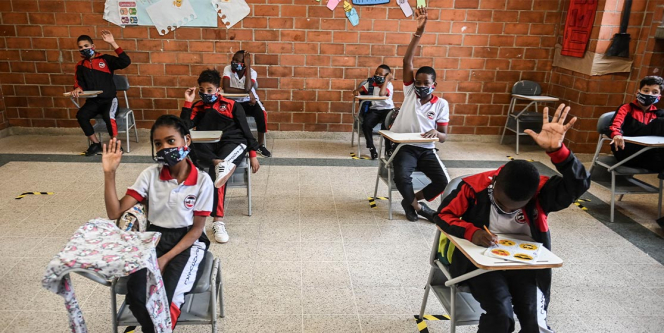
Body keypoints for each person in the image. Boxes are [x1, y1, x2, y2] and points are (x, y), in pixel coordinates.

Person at [435, 104, 591, 333]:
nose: (507, 211)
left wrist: (558, 152)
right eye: (501, 204)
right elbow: (443, 216)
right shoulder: (475, 187)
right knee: (501, 317)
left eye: (515, 208)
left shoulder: (542, 192)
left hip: (526, 266)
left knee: (534, 323)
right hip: (482, 265)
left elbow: (579, 185)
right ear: (494, 183)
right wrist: (471, 231)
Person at [101, 115, 213, 332]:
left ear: (186, 141)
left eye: (171, 141)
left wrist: (164, 259)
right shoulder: (150, 175)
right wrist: (109, 174)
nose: (164, 148)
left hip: (188, 242)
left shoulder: (202, 181)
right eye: (158, 144)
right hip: (153, 238)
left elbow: (197, 229)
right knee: (136, 295)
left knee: (167, 300)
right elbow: (114, 211)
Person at [181, 69, 260, 244]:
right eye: (202, 90)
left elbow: (246, 131)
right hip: (208, 146)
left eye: (210, 90)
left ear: (218, 90)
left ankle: (218, 221)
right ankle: (218, 162)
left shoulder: (231, 105)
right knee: (185, 142)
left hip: (231, 142)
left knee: (217, 174)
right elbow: (184, 127)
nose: (206, 94)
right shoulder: (197, 107)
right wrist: (188, 103)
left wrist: (253, 154)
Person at [389, 6, 450, 222]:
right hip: (404, 147)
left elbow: (443, 137)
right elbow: (407, 62)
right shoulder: (410, 94)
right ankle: (420, 208)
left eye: (426, 83)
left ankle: (410, 201)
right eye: (418, 82)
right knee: (401, 176)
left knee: (443, 182)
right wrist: (419, 32)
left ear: (434, 85)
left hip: (426, 149)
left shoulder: (441, 104)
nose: (421, 86)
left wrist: (435, 132)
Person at [71, 31, 131, 156]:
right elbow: (79, 82)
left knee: (108, 117)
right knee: (81, 115)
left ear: (93, 46)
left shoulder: (106, 59)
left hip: (109, 100)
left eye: (86, 46)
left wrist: (112, 43)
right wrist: (77, 88)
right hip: (93, 101)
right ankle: (96, 144)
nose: (84, 49)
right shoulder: (80, 65)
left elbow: (125, 61)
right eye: (81, 47)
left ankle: (115, 145)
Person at [222, 50, 272, 157]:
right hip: (234, 101)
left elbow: (248, 87)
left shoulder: (252, 72)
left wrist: (248, 68)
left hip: (249, 101)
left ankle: (260, 145)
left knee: (261, 114)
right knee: (232, 117)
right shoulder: (228, 69)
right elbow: (226, 88)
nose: (233, 62)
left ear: (245, 64)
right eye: (233, 59)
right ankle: (240, 142)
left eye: (237, 60)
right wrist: (247, 92)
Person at [352, 64, 395, 159]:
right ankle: (371, 147)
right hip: (375, 110)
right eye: (376, 73)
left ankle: (388, 149)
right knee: (366, 124)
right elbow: (358, 90)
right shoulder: (371, 84)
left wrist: (387, 80)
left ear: (387, 76)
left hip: (387, 110)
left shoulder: (389, 85)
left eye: (381, 74)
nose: (377, 75)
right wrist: (356, 91)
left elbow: (382, 94)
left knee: (385, 127)